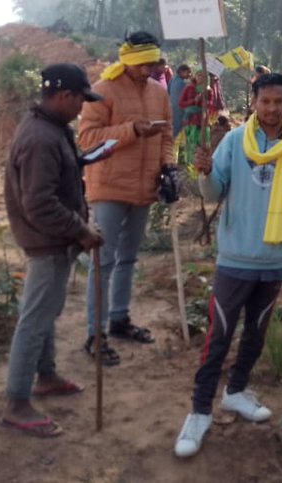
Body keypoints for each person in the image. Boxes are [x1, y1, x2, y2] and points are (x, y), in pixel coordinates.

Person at [175, 72, 282, 458]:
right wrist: (203, 172)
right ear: (253, 102)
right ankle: (199, 412)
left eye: (278, 102)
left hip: (272, 262)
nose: (271, 109)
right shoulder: (235, 141)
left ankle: (236, 391)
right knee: (218, 336)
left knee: (255, 335)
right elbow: (215, 189)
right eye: (265, 102)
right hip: (234, 260)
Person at [1, 63, 104, 438]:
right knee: (35, 319)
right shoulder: (41, 138)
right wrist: (81, 230)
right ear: (64, 96)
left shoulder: (51, 128)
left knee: (46, 312)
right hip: (46, 241)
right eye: (80, 100)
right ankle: (17, 402)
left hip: (52, 240)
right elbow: (40, 204)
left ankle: (45, 376)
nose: (82, 108)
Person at [78, 32, 176, 367]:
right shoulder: (103, 91)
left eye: (153, 63)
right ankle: (95, 333)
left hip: (144, 187)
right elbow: (88, 139)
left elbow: (166, 135)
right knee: (103, 261)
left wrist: (168, 166)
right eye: (144, 63)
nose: (150, 69)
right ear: (129, 61)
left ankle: (119, 319)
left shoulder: (159, 93)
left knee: (128, 258)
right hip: (109, 186)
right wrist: (131, 130)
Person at [180, 69, 226, 166]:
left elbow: (211, 105)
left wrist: (205, 102)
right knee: (190, 141)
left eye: (203, 76)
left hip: (203, 119)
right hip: (190, 119)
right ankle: (189, 163)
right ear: (195, 76)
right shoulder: (189, 88)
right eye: (199, 75)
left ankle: (201, 163)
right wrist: (193, 101)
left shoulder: (209, 90)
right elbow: (181, 103)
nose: (200, 78)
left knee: (202, 142)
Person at [167, 63, 193, 165]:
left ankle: (174, 161)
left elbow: (168, 93)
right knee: (182, 140)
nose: (189, 75)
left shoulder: (172, 80)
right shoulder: (184, 85)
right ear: (182, 72)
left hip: (172, 112)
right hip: (181, 114)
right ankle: (181, 162)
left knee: (175, 139)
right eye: (188, 72)